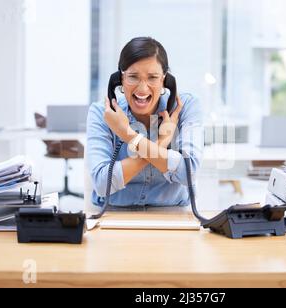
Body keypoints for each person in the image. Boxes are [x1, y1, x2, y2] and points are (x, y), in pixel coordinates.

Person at [87, 37, 203, 209]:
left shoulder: (185, 106)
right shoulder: (102, 113)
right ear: (120, 79)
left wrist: (127, 134)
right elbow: (102, 184)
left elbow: (189, 172)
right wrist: (161, 144)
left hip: (173, 214)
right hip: (115, 215)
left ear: (165, 80)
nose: (142, 89)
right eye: (133, 77)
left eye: (152, 77)